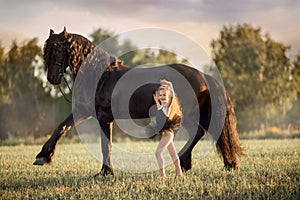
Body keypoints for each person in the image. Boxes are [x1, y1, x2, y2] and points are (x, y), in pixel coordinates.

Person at [153, 79, 183, 178]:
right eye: (160, 95)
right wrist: (157, 98)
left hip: (168, 134)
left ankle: (163, 175)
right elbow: (157, 101)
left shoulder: (167, 107)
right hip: (165, 134)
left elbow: (173, 95)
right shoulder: (159, 106)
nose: (162, 97)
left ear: (168, 96)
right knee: (173, 154)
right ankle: (179, 174)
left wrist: (169, 84)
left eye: (164, 95)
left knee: (157, 153)